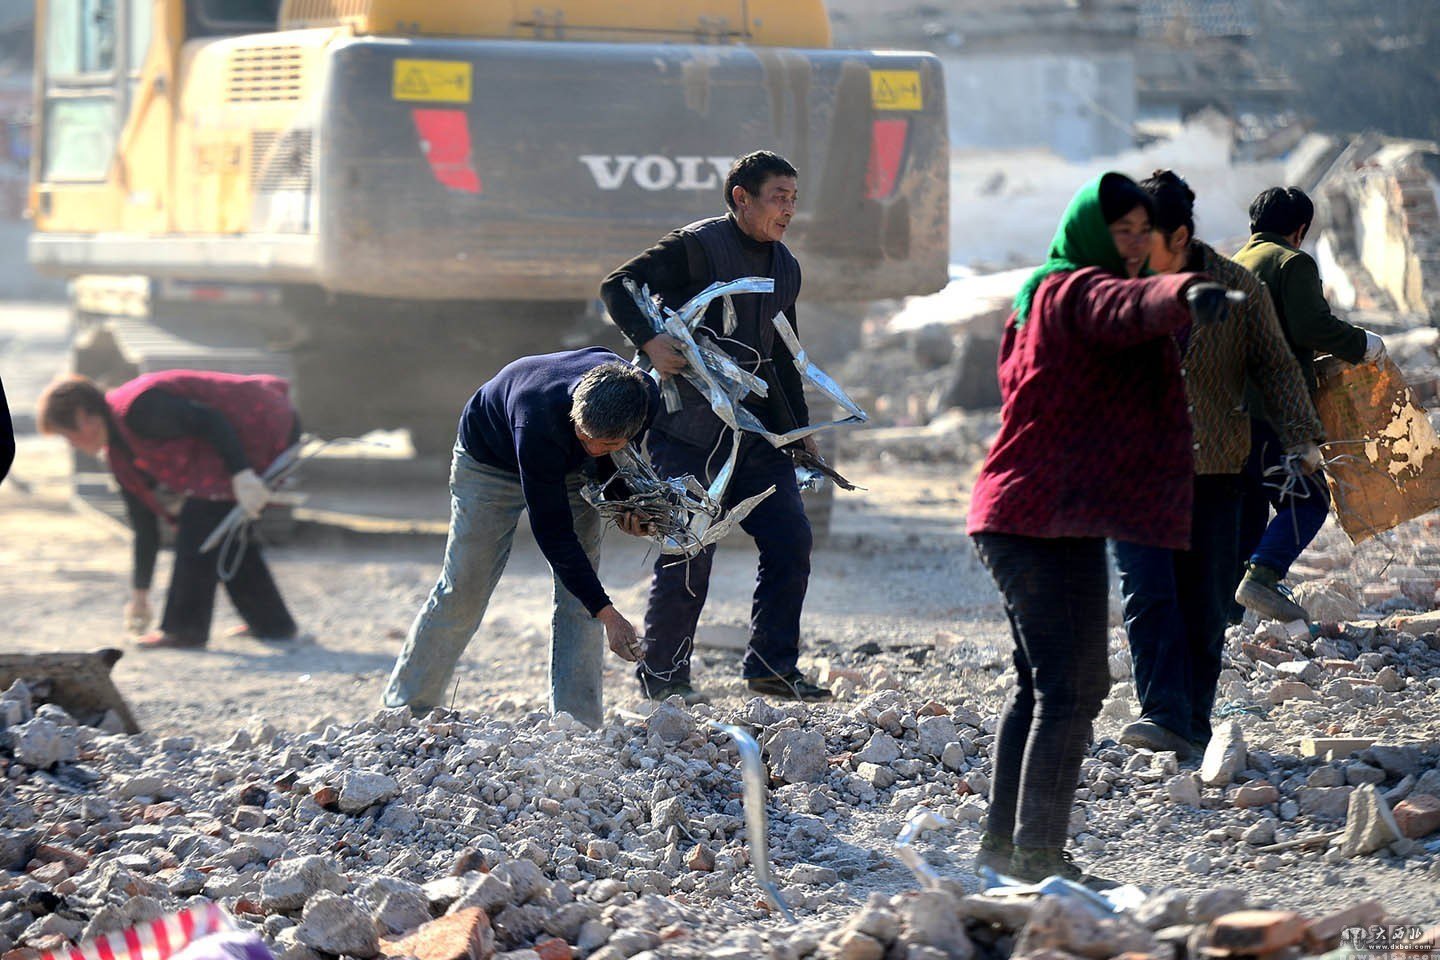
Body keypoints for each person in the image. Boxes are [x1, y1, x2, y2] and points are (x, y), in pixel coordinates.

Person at [967, 172, 1227, 885]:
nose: (1137, 246)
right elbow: (1121, 303)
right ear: (1090, 233)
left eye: (1144, 232)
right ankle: (1038, 860)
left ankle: (1005, 850)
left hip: (1051, 516)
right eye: (1123, 233)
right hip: (1034, 518)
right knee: (1075, 688)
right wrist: (1181, 291)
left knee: (1042, 684)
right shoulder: (1069, 289)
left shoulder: (1042, 299)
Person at [599, 150, 831, 704]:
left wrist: (797, 433)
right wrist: (648, 342)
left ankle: (772, 668)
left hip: (754, 434)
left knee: (791, 537)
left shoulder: (785, 266)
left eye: (794, 199)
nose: (789, 210)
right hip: (689, 431)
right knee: (689, 548)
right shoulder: (696, 247)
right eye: (779, 197)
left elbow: (780, 357)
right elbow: (618, 284)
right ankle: (665, 679)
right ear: (740, 198)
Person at [1114, 171, 1325, 759]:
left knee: (1203, 602)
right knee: (1147, 592)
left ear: (1179, 234)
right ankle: (1160, 713)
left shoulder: (1236, 288)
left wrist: (1303, 435)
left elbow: (1277, 367)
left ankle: (1194, 722)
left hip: (1214, 468)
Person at [383, 348, 661, 728]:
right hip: (489, 461)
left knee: (579, 600)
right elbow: (554, 533)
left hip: (565, 465)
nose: (594, 448)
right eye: (585, 436)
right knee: (465, 585)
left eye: (608, 443)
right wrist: (609, 613)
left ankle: (576, 723)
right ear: (575, 411)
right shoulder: (538, 416)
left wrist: (626, 504)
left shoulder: (642, 396)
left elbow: (612, 462)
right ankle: (407, 707)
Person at [38, 371, 300, 650]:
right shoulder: (121, 453)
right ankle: (272, 624)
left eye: (68, 436)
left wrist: (241, 474)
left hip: (266, 424)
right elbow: (144, 526)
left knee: (200, 522)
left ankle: (183, 630)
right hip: (238, 445)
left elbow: (211, 420)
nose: (71, 445)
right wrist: (140, 595)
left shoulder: (139, 409)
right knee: (223, 530)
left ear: (82, 418)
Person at [1231, 187, 1386, 622]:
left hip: (1225, 415)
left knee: (1247, 509)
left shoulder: (1230, 267)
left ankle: (1227, 613)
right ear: (1299, 230)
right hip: (1272, 410)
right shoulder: (1292, 261)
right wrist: (1361, 344)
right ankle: (1262, 579)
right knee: (1310, 498)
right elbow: (1309, 324)